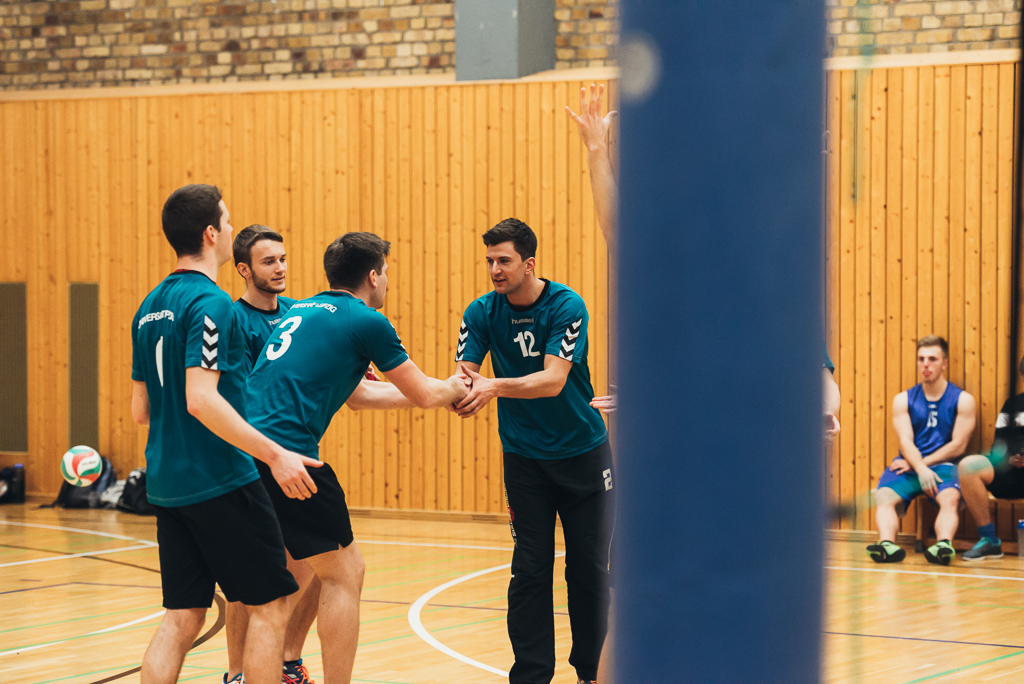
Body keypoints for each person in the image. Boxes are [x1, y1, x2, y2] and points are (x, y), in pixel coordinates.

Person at [245, 231, 471, 684]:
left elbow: (360, 395)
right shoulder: (366, 320)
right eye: (385, 272)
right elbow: (425, 392)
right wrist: (456, 386)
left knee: (275, 595)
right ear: (372, 276)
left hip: (246, 453)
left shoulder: (303, 310)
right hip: (289, 457)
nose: (386, 280)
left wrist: (436, 395)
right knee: (346, 572)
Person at [131, 184, 323, 684]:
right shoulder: (212, 304)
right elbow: (201, 398)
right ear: (211, 234)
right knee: (271, 606)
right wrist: (275, 454)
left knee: (182, 616)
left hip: (166, 483)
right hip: (219, 478)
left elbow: (141, 410)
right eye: (228, 220)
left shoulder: (148, 308)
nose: (233, 227)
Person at [454, 218, 613, 684]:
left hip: (583, 455)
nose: (495, 270)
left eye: (504, 261)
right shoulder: (481, 311)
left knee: (588, 571)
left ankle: (592, 672)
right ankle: (531, 676)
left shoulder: (566, 305)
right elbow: (465, 376)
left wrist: (492, 387)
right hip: (524, 460)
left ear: (529, 264)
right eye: (489, 261)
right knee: (529, 569)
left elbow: (553, 379)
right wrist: (452, 391)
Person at [223, 225, 316, 684]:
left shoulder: (299, 314)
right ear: (244, 270)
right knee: (254, 576)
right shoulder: (234, 320)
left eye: (282, 258)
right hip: (253, 459)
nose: (279, 268)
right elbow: (243, 397)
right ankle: (238, 672)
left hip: (299, 455)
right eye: (268, 261)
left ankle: (288, 661)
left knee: (321, 561)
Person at [868, 335, 976, 565]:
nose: (925, 364)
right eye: (921, 359)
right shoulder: (903, 399)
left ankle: (943, 545)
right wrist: (919, 468)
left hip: (942, 465)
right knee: (883, 496)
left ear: (944, 363)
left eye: (932, 359)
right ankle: (886, 545)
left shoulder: (963, 400)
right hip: (909, 465)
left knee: (950, 498)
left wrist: (921, 465)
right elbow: (905, 440)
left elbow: (959, 445)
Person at [958, 357, 1024, 560]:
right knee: (968, 465)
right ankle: (989, 540)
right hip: (1012, 475)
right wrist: (1010, 459)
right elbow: (999, 446)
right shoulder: (1013, 405)